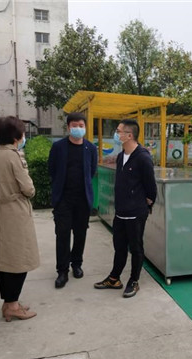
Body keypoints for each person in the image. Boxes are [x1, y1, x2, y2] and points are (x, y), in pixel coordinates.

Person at [94, 119, 156, 298]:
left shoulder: (143, 157)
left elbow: (151, 189)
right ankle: (114, 278)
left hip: (136, 213)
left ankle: (134, 281)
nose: (116, 133)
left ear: (129, 135)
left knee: (136, 248)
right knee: (119, 247)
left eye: (119, 131)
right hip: (120, 211)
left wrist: (141, 205)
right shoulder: (122, 155)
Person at [0, 116, 39, 322]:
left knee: (4, 259)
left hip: (0, 212)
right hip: (15, 212)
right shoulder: (14, 156)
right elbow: (29, 189)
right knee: (18, 259)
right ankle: (13, 306)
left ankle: (8, 303)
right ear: (16, 136)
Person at [48, 112, 98, 288]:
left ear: (85, 127)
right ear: (68, 127)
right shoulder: (58, 147)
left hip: (82, 199)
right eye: (74, 125)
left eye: (81, 126)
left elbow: (92, 171)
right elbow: (52, 169)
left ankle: (76, 264)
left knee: (80, 233)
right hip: (63, 199)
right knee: (62, 234)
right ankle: (62, 270)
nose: (78, 128)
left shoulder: (91, 148)